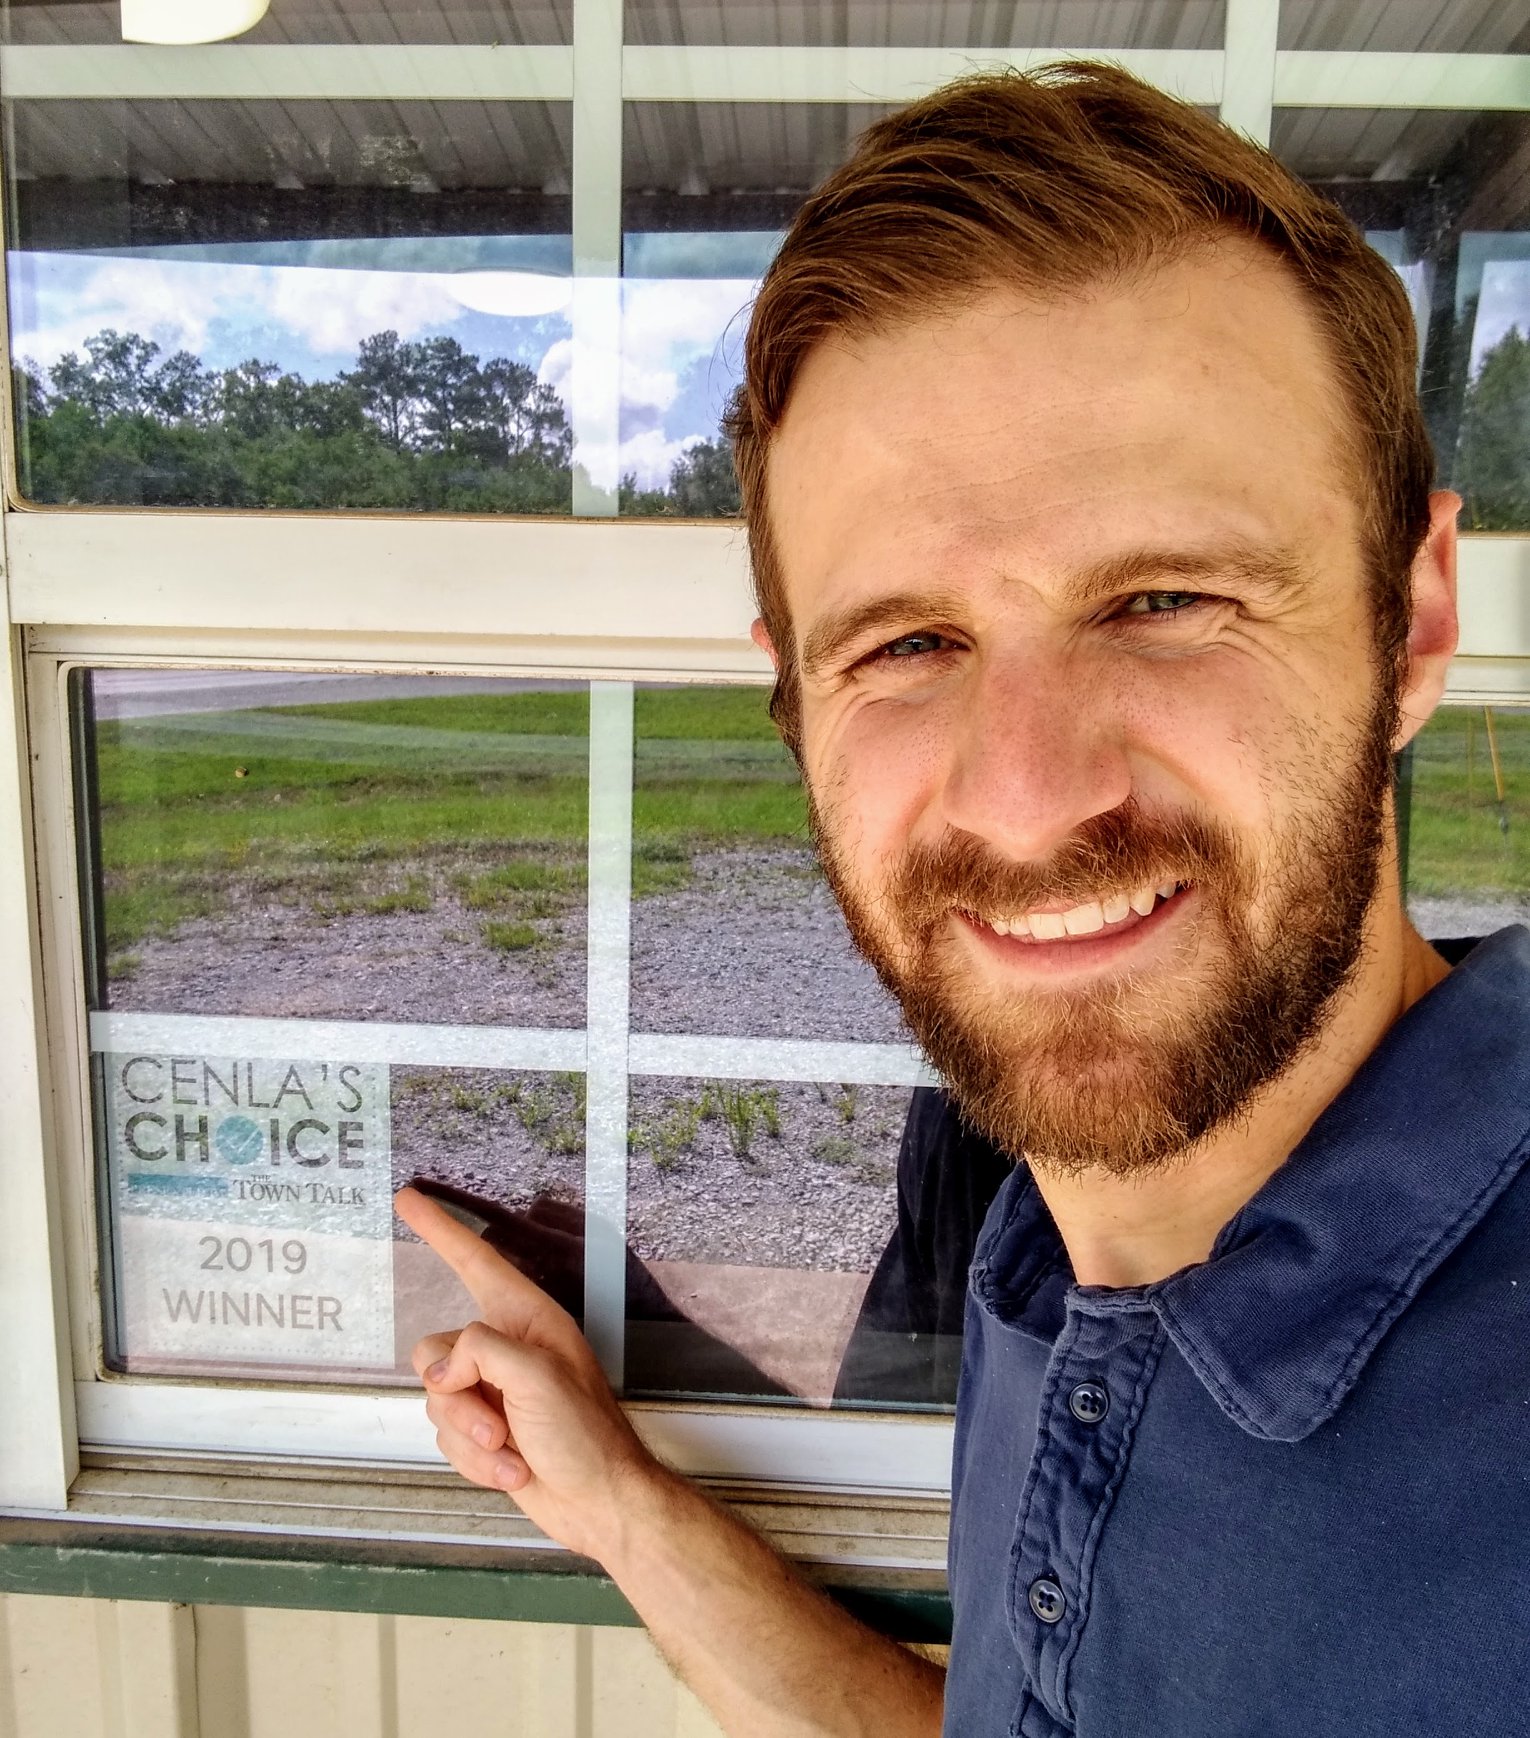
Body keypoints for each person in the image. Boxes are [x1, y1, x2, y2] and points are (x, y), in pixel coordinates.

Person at [394, 62, 1530, 1736]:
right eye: (909, 642)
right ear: (796, 700)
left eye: (1163, 599)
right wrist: (622, 1510)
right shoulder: (1044, 1247)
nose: (1025, 795)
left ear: (1412, 623)